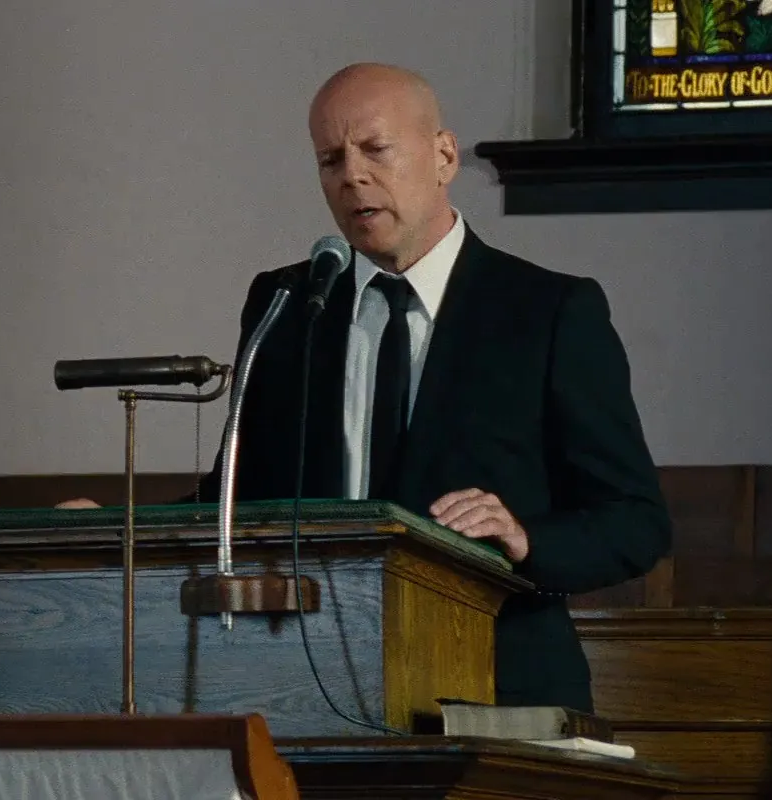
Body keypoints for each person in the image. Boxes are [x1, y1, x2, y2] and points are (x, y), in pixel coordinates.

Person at [60, 63, 671, 713]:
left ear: (444, 157)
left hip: (493, 685)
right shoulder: (290, 304)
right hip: (314, 688)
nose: (351, 176)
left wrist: (525, 539)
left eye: (375, 149)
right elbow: (243, 497)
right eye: (330, 159)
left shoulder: (549, 311)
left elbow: (635, 522)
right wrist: (121, 528)